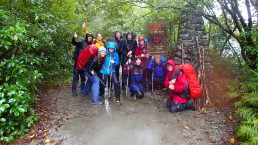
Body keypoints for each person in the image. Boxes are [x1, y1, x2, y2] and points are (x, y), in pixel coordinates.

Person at [71, 31, 94, 95]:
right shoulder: (81, 42)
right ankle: (74, 90)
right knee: (75, 77)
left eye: (91, 37)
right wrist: (74, 37)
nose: (90, 38)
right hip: (78, 63)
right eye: (88, 36)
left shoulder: (91, 45)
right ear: (86, 37)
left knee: (83, 77)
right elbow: (73, 42)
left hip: (85, 64)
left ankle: (83, 89)